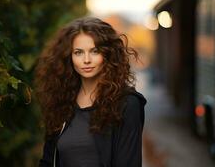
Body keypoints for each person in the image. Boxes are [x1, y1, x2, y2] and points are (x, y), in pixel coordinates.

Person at [34, 17, 147, 167]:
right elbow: (47, 161)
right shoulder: (61, 101)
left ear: (108, 55)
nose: (86, 60)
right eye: (78, 52)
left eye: (95, 51)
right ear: (69, 57)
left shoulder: (126, 103)